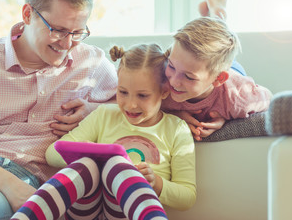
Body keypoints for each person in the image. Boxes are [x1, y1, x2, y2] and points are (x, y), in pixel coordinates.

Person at [0, 0, 118, 219]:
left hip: (17, 177)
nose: (67, 44)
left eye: (77, 33)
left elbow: (137, 106)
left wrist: (94, 110)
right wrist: (10, 185)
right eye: (58, 30)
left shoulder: (92, 64)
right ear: (27, 14)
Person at [12, 43, 196, 219]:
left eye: (142, 95)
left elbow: (187, 196)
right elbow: (52, 154)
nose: (130, 104)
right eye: (123, 92)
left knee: (118, 165)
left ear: (164, 91)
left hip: (128, 213)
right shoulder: (104, 115)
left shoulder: (176, 129)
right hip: (86, 211)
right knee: (87, 165)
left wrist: (156, 183)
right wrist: (86, 152)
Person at [162, 0, 272, 141]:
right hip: (207, 68)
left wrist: (227, 119)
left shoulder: (239, 97)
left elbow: (270, 100)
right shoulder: (161, 79)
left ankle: (219, 13)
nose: (174, 81)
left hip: (234, 72)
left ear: (218, 79)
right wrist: (174, 116)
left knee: (224, 44)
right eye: (172, 66)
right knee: (214, 43)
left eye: (188, 76)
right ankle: (213, 17)